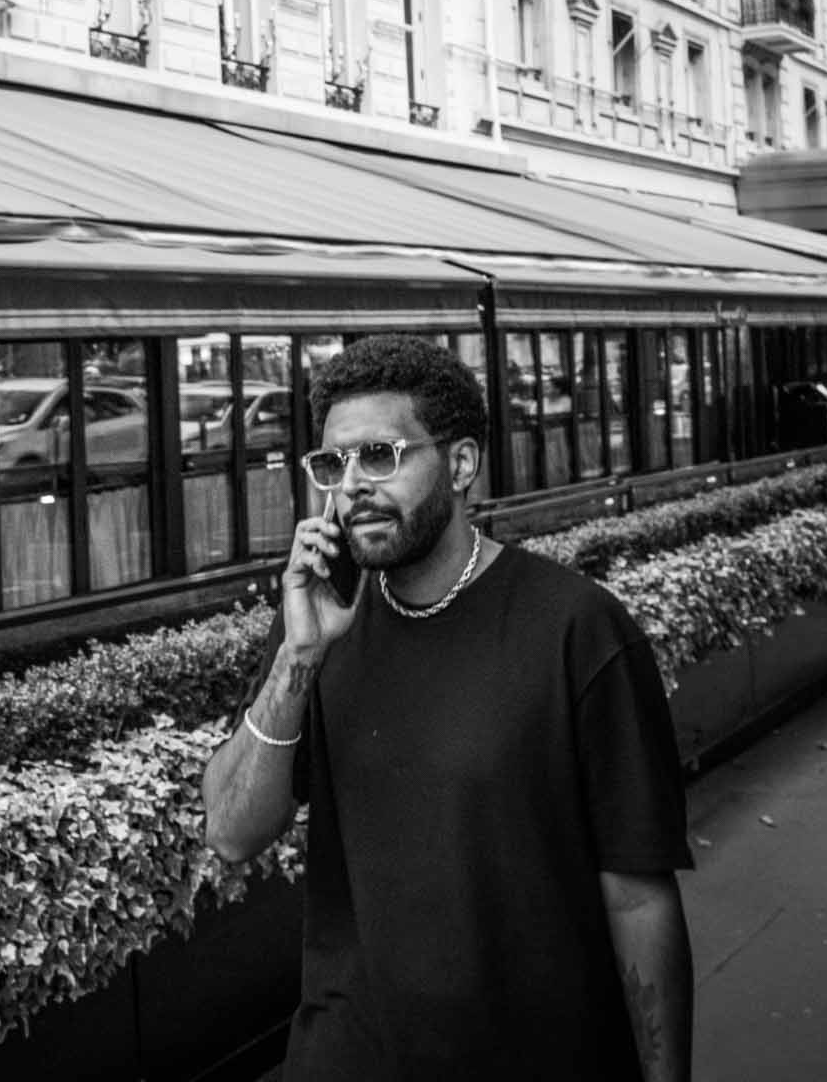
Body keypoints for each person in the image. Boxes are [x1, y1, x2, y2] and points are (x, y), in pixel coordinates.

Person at [202, 335, 693, 1082]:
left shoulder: (576, 629)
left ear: (461, 465)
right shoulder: (320, 623)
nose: (352, 486)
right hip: (347, 1058)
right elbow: (232, 831)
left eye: (382, 456)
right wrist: (298, 655)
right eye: (334, 465)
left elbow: (636, 898)